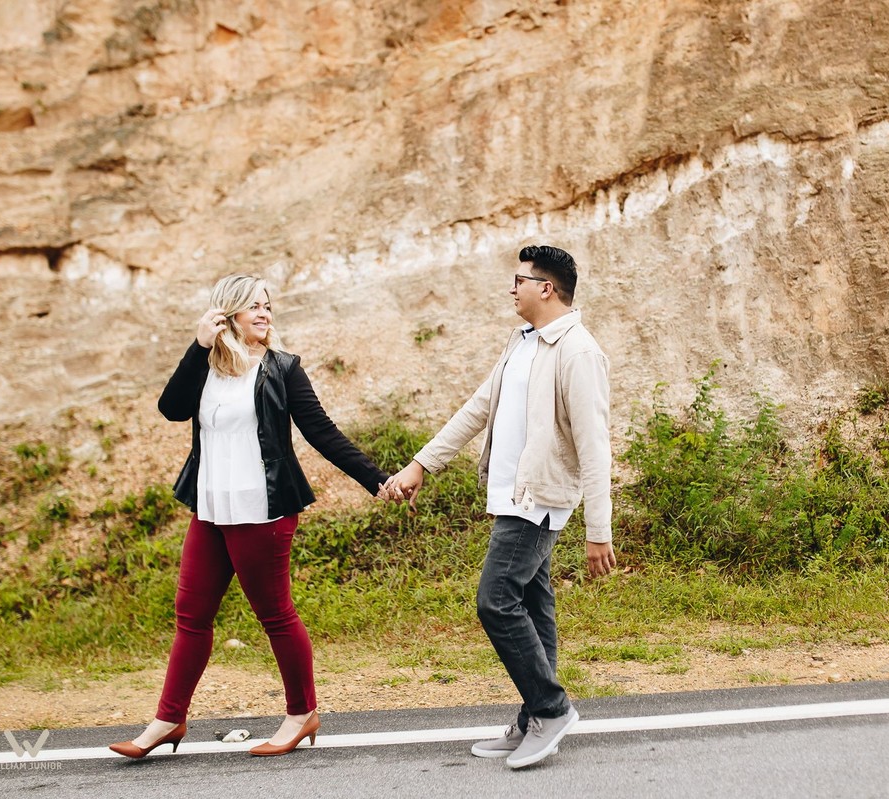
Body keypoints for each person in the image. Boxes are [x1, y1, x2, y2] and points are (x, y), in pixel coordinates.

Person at [109, 274, 389, 759]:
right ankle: (168, 719)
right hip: (212, 508)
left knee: (275, 615)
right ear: (228, 313)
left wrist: (376, 479)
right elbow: (171, 409)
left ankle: (302, 714)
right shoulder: (207, 366)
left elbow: (322, 432)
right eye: (253, 306)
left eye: (268, 306)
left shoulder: (283, 368)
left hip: (262, 510)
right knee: (191, 617)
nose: (264, 313)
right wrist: (199, 347)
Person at [381, 244, 616, 769]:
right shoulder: (524, 342)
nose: (512, 289)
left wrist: (598, 529)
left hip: (540, 498)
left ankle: (552, 709)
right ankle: (538, 715)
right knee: (534, 606)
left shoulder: (578, 351)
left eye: (519, 280)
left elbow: (595, 445)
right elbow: (477, 409)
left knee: (496, 600)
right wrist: (422, 464)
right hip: (513, 494)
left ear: (545, 288)